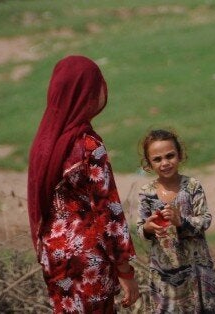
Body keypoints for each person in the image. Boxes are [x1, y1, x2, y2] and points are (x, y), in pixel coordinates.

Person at [27, 55, 139, 312]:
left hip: (54, 252)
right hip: (89, 257)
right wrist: (125, 269)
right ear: (85, 93)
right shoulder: (89, 145)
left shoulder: (44, 144)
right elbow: (108, 211)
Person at [136, 129, 215, 313]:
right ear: (148, 164)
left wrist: (180, 221)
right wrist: (149, 228)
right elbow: (140, 228)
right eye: (157, 159)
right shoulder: (147, 193)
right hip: (164, 274)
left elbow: (205, 220)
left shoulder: (192, 186)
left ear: (180, 155)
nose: (165, 163)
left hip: (196, 270)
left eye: (170, 156)